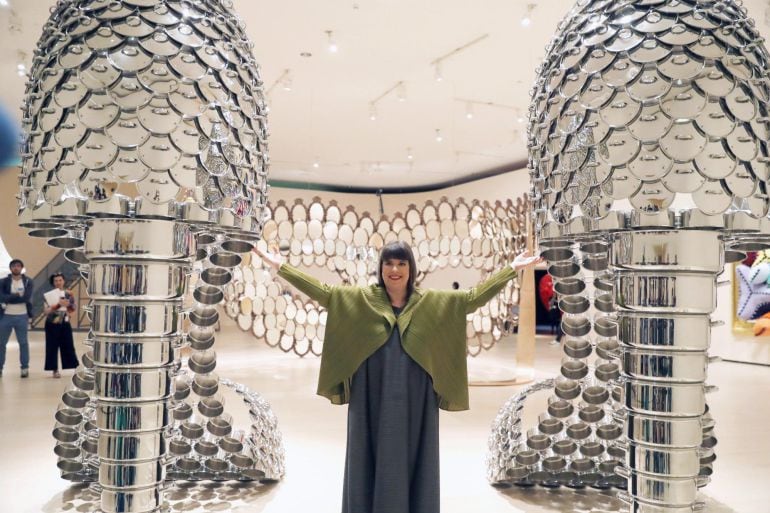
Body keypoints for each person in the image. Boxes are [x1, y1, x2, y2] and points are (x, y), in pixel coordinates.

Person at [255, 241, 541, 513]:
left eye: (401, 263)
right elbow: (325, 293)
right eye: (388, 263)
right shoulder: (364, 300)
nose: (394, 270)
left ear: (411, 268)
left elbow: (471, 299)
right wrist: (282, 267)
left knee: (414, 455)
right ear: (380, 268)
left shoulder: (428, 303)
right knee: (366, 455)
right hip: (369, 394)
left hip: (416, 396)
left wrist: (511, 270)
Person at [0, 259, 33, 378]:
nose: (16, 268)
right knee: (1, 343)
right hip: (5, 316)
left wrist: (10, 298)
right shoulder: (3, 282)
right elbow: (1, 297)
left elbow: (26, 298)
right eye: (14, 266)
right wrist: (16, 295)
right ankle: (0, 368)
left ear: (21, 268)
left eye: (18, 266)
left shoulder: (28, 281)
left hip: (22, 315)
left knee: (23, 343)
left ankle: (24, 368)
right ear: (10, 268)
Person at [43, 273, 79, 378]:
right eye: (56, 281)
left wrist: (68, 308)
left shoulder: (69, 293)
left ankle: (74, 367)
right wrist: (58, 305)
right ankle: (54, 369)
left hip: (65, 322)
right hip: (52, 323)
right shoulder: (48, 295)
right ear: (53, 282)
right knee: (52, 347)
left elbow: (73, 308)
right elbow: (46, 311)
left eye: (60, 280)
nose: (58, 282)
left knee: (68, 345)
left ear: (63, 281)